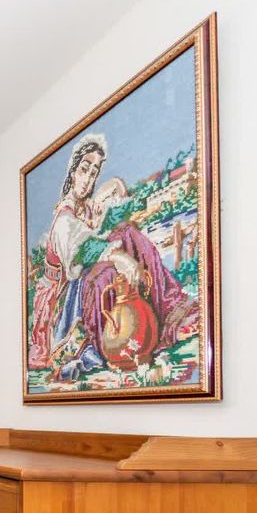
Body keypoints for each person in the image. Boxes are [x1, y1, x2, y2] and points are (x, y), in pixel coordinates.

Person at [27, 133, 193, 381]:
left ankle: (167, 309)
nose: (88, 179)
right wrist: (119, 257)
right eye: (84, 170)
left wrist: (115, 186)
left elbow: (109, 227)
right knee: (105, 273)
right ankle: (110, 341)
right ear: (73, 172)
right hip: (65, 298)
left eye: (94, 173)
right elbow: (83, 249)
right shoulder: (63, 218)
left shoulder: (87, 209)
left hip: (82, 279)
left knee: (127, 233)